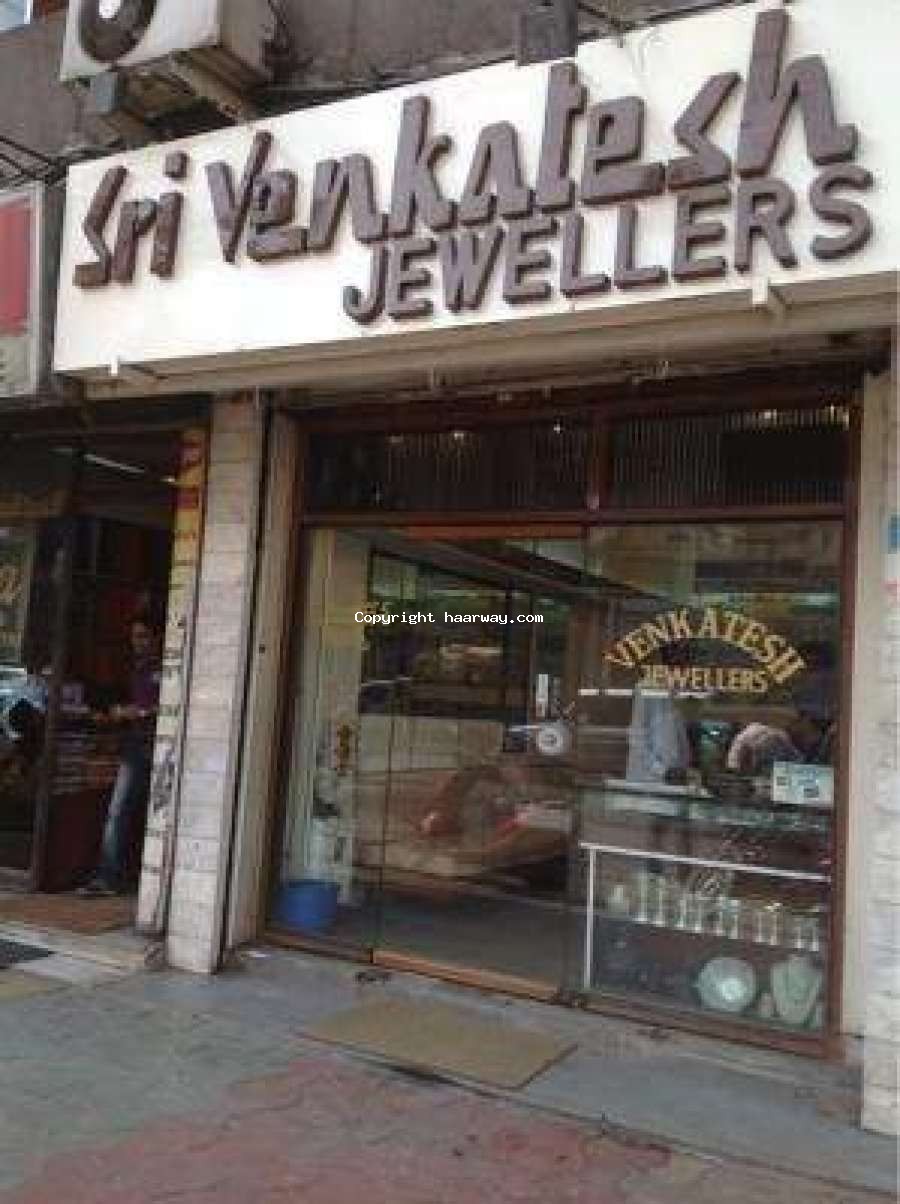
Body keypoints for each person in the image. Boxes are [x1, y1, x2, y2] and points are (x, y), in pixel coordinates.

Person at [78, 616, 161, 897]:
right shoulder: (137, 669)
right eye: (135, 637)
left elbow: (171, 705)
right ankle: (110, 877)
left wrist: (138, 712)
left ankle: (134, 878)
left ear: (158, 638)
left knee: (143, 812)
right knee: (120, 810)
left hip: (157, 744)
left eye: (144, 636)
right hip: (136, 743)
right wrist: (121, 713)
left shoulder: (166, 668)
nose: (138, 642)